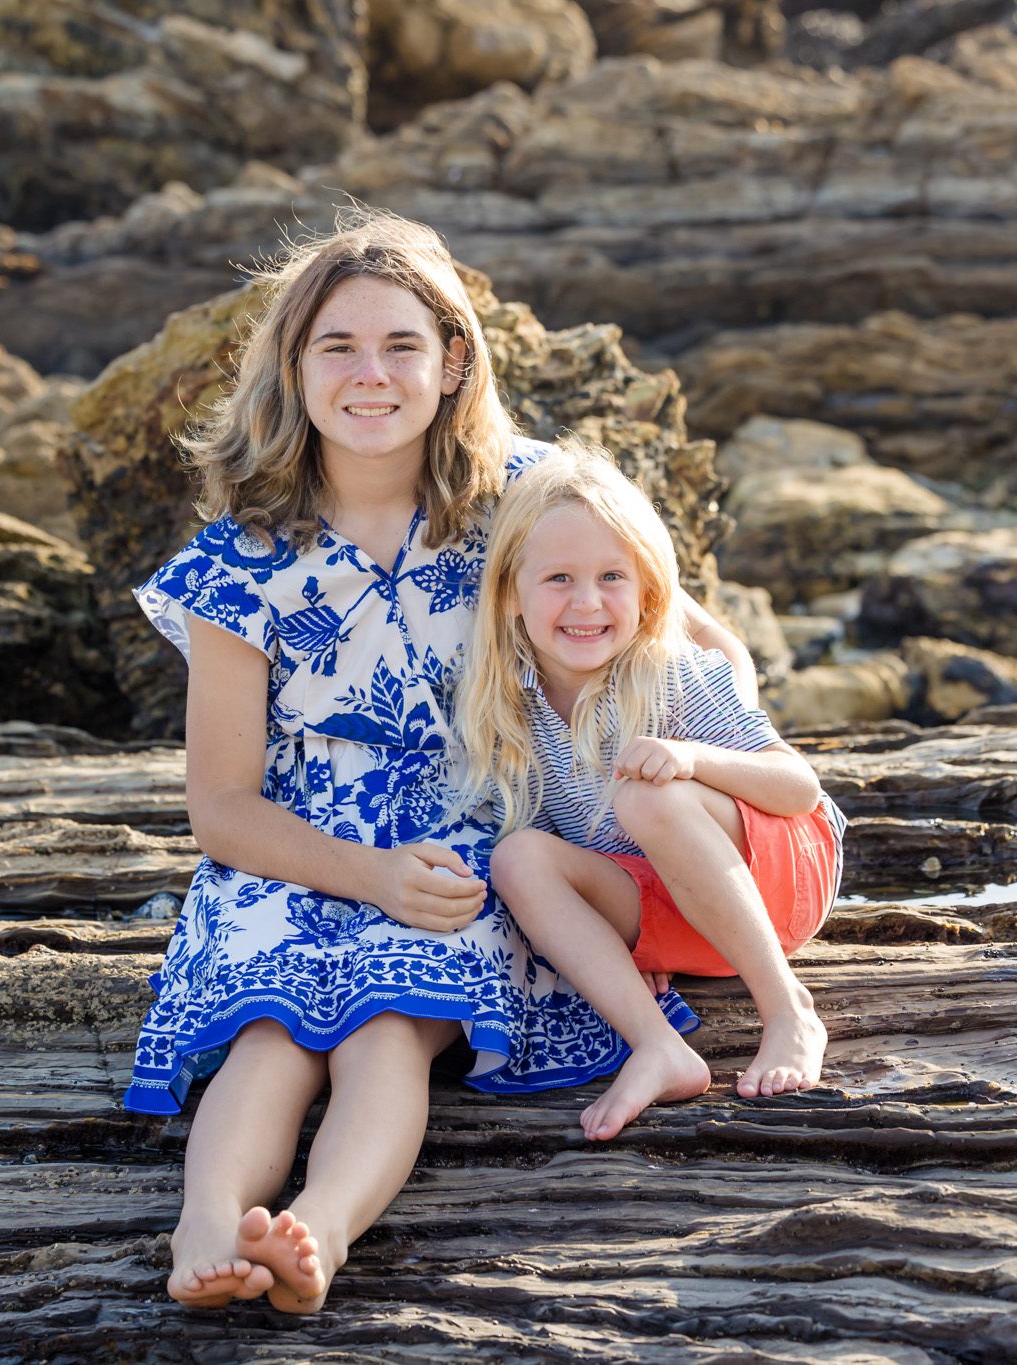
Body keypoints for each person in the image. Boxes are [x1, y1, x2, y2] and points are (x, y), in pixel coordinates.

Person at [125, 209, 754, 1314]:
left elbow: (695, 640)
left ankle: (318, 1232)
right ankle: (207, 1226)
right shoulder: (239, 561)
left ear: (453, 360)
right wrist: (363, 875)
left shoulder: (525, 496)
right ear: (293, 365)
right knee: (270, 1035)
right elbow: (219, 805)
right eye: (337, 347)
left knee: (389, 1028)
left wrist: (716, 782)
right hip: (290, 849)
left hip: (472, 841)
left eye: (401, 345)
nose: (369, 374)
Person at [455, 445, 845, 1145]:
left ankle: (789, 1011)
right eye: (559, 578)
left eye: (612, 577)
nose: (587, 602)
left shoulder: (669, 672)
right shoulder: (508, 708)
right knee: (518, 857)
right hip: (679, 914)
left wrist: (693, 759)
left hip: (778, 878)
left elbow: (799, 789)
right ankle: (659, 1046)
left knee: (648, 797)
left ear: (646, 592)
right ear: (511, 594)